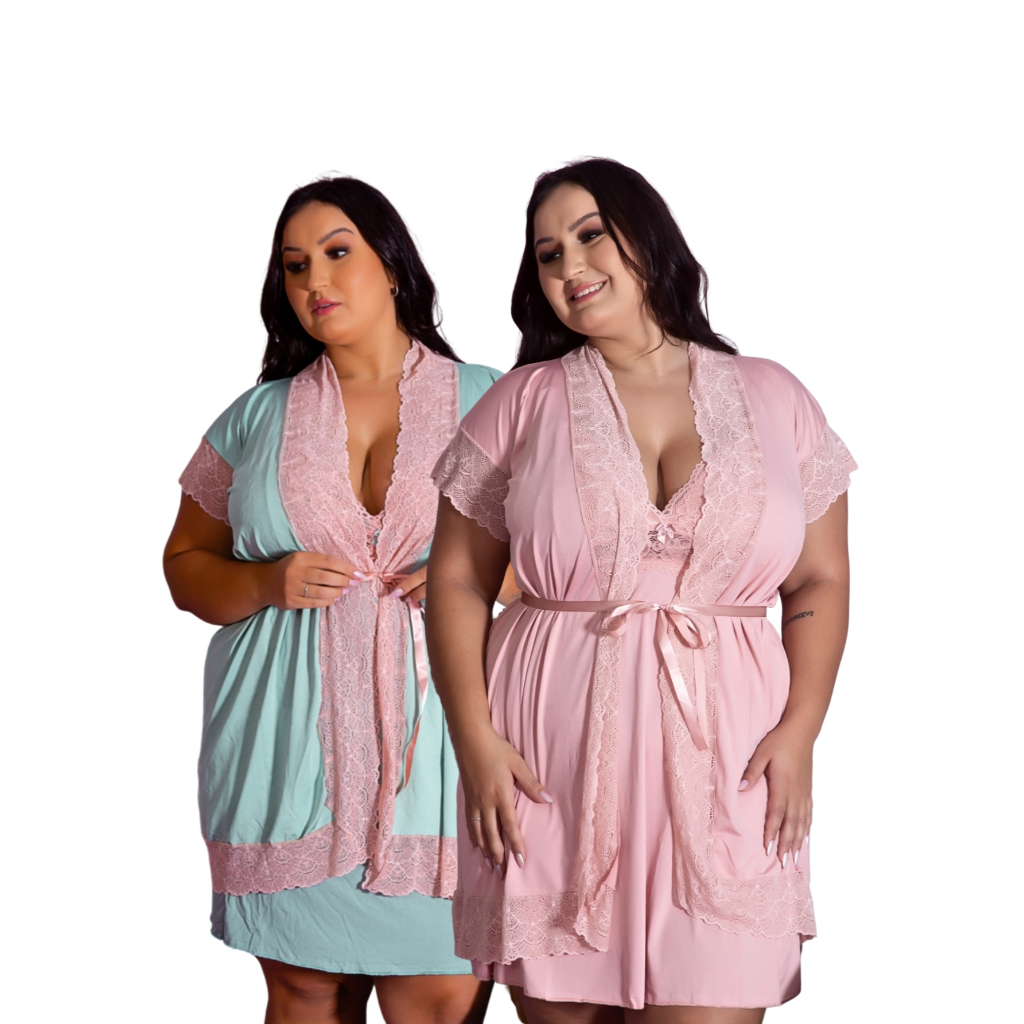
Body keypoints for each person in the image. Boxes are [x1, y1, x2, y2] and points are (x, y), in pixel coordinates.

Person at [426, 158, 856, 1023]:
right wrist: (473, 741)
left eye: (591, 235)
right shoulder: (521, 401)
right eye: (548, 253)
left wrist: (803, 728)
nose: (570, 266)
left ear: (649, 238)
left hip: (732, 757)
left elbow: (820, 576)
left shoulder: (776, 395)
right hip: (548, 761)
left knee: (718, 988)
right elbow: (458, 578)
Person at [164, 177, 509, 1024]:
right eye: (294, 265)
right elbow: (183, 566)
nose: (314, 279)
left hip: (449, 763)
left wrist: (485, 581)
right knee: (304, 994)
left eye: (336, 252)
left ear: (391, 264)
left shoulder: (495, 400)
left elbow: (584, 559)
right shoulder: (253, 418)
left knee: (440, 996)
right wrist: (263, 581)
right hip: (284, 761)